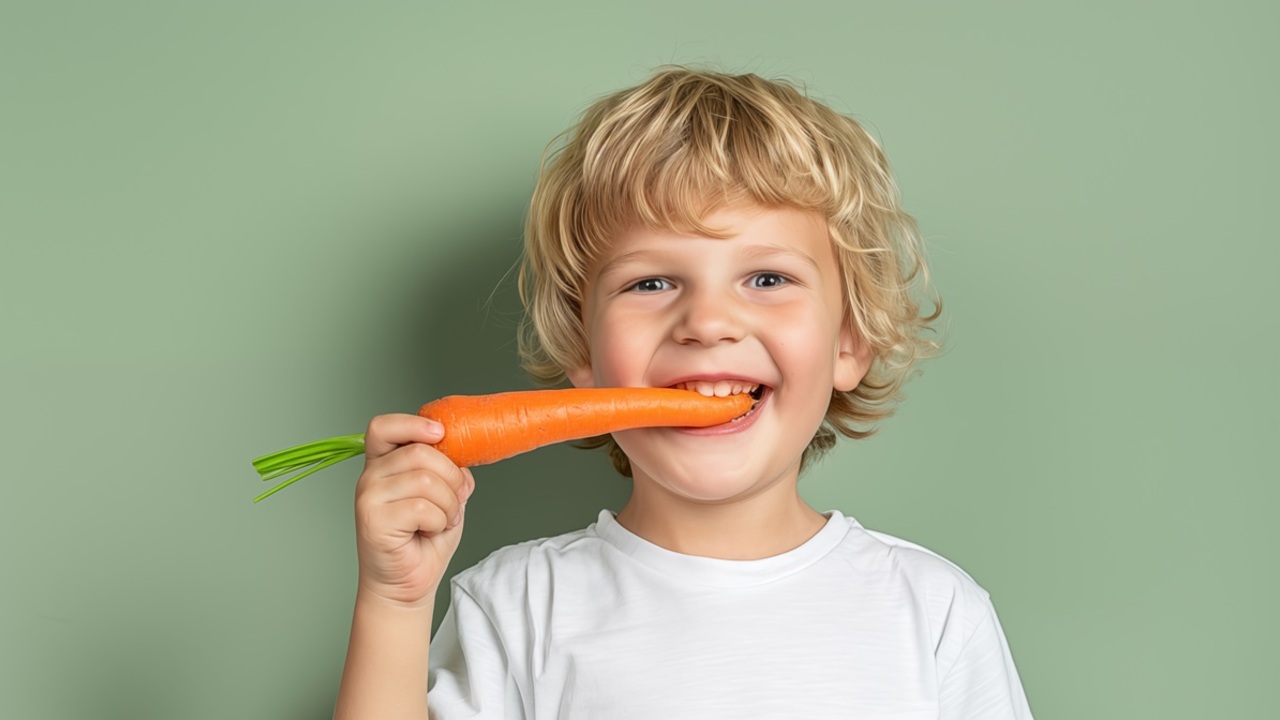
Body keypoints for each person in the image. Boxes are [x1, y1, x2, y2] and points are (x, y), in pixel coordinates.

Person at [333, 66, 1033, 719]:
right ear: (583, 351)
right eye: (651, 283)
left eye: (767, 278)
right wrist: (395, 602)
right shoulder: (517, 605)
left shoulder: (932, 610)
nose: (707, 323)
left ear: (849, 343)